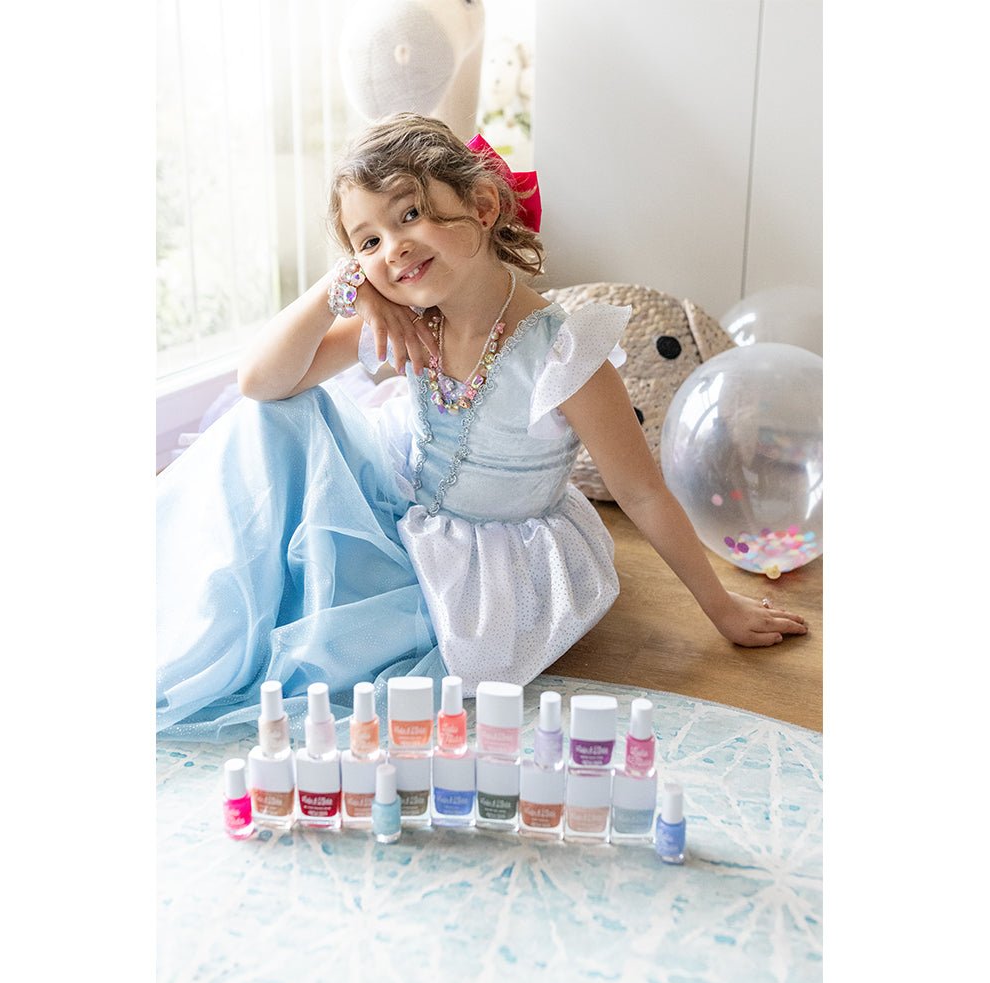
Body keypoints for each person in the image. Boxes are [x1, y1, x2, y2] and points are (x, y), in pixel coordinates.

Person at [156, 113, 807, 742]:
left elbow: (641, 493)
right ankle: (212, 607)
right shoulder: (409, 322)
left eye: (410, 214)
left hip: (486, 561)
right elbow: (259, 384)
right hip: (397, 509)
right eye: (368, 241)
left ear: (484, 205)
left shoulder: (562, 354)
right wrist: (343, 287)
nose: (394, 247)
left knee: (339, 642)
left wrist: (722, 607)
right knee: (274, 419)